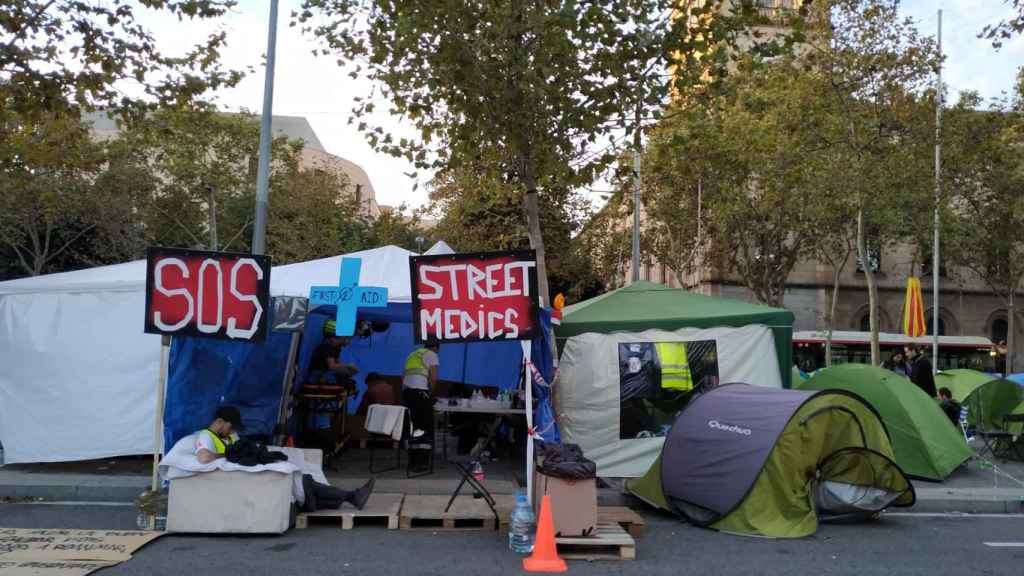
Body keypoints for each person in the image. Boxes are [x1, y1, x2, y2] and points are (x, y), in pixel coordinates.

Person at [403, 339, 441, 440]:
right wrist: (429, 393)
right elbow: (433, 378)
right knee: (425, 423)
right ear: (435, 348)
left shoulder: (412, 355)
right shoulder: (432, 354)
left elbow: (404, 375)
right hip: (419, 391)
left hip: (407, 391)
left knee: (412, 421)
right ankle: (423, 450)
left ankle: (411, 445)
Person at [309, 320, 359, 388]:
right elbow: (332, 366)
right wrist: (348, 365)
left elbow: (338, 363)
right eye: (347, 338)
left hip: (325, 373)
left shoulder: (336, 348)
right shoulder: (327, 347)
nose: (348, 341)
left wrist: (348, 371)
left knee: (346, 373)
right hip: (317, 375)